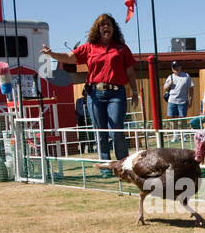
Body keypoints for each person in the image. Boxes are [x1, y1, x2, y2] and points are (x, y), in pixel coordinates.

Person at [41, 14, 135, 163]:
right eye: (102, 25)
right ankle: (105, 167)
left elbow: (130, 71)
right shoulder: (89, 47)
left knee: (116, 130)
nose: (106, 27)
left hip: (116, 93)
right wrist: (51, 53)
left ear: (114, 28)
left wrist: (134, 91)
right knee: (100, 132)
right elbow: (69, 57)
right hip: (95, 94)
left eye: (109, 24)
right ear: (97, 29)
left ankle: (123, 165)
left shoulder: (121, 48)